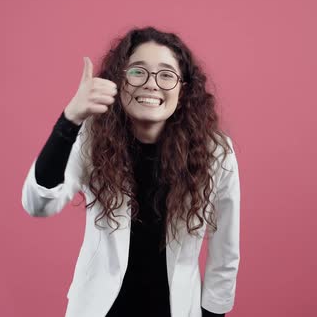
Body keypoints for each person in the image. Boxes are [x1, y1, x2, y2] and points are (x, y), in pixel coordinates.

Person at [21, 26, 241, 317]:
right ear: (119, 81)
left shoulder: (216, 152)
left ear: (183, 89)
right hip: (101, 309)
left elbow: (225, 253)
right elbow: (38, 203)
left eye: (166, 75)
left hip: (175, 309)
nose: (151, 84)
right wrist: (70, 119)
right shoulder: (91, 137)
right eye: (137, 72)